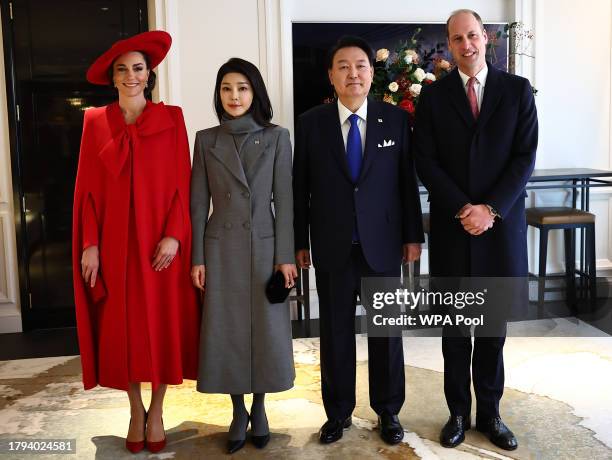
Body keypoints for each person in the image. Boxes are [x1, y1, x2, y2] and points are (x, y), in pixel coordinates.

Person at [413, 9, 538, 451]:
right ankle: (457, 414)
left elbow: (524, 157)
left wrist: (491, 209)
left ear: (485, 38)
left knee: (491, 331)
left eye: (472, 36)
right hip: (453, 228)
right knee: (454, 331)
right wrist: (464, 207)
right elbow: (425, 160)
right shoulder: (433, 97)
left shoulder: (517, 91)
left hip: (499, 230)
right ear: (449, 45)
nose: (466, 45)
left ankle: (490, 413)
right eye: (456, 39)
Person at [72, 31, 200, 454]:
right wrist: (90, 243)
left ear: (150, 74)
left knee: (162, 324)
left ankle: (158, 408)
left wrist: (175, 236)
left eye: (138, 68)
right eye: (123, 69)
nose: (131, 76)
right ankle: (133, 409)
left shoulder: (173, 118)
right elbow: (87, 191)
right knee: (122, 329)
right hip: (114, 247)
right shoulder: (94, 121)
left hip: (160, 247)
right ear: (113, 78)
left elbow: (184, 184)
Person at [293, 35, 424, 445]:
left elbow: (407, 184)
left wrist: (413, 237)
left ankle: (388, 411)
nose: (354, 73)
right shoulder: (311, 123)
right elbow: (301, 188)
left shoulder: (396, 121)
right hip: (332, 246)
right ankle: (338, 413)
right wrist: (300, 241)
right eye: (344, 66)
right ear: (331, 76)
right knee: (334, 334)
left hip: (382, 245)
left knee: (386, 334)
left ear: (372, 73)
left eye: (361, 65)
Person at [190, 57, 297, 454]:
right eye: (226, 88)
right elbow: (198, 204)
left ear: (255, 93)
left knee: (267, 331)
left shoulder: (276, 137)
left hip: (266, 247)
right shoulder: (205, 139)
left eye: (242, 88)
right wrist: (197, 257)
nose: (234, 96)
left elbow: (285, 202)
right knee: (226, 331)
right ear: (218, 95)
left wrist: (285, 255)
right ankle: (237, 409)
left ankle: (262, 405)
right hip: (221, 248)